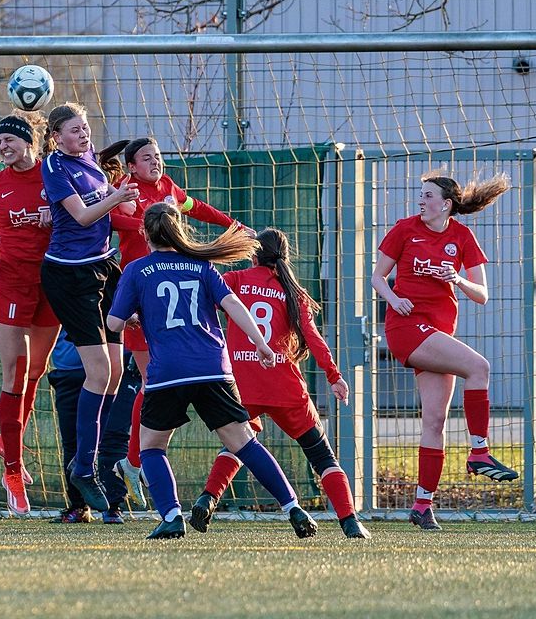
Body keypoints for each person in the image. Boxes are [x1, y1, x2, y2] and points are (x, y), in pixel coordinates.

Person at [107, 202, 318, 540]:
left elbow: (114, 322)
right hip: (213, 370)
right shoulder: (201, 267)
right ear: (179, 230)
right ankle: (292, 507)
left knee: (151, 448)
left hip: (168, 373)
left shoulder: (136, 270)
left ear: (144, 232)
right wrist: (261, 345)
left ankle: (172, 515)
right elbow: (233, 305)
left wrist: (132, 316)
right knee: (244, 444)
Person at [98, 137, 254, 509]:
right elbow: (110, 219)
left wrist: (233, 224)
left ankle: (137, 460)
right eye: (147, 158)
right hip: (141, 299)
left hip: (172, 298)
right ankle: (135, 460)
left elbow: (196, 207)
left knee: (162, 383)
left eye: (158, 157)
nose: (155, 163)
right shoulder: (128, 190)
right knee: (152, 383)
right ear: (132, 166)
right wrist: (147, 222)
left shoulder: (167, 188)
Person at [188, 228, 371, 539]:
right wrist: (334, 376)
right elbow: (313, 339)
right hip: (286, 387)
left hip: (242, 385)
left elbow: (202, 296)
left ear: (254, 254)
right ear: (285, 257)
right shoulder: (293, 292)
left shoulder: (236, 280)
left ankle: (207, 499)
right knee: (322, 456)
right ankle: (350, 521)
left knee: (237, 445)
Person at [370, 169, 515, 531]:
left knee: (434, 422)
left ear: (446, 204)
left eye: (428, 195)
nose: (421, 200)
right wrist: (393, 297)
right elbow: (376, 277)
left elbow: (482, 295)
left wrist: (458, 278)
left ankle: (422, 506)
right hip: (406, 327)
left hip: (437, 333)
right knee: (478, 367)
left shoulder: (461, 237)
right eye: (421, 194)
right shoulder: (405, 229)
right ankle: (479, 453)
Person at [38, 102, 140, 513]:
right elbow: (80, 217)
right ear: (56, 137)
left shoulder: (93, 164)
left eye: (85, 127)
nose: (83, 134)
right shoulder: (55, 165)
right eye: (74, 130)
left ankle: (90, 464)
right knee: (98, 372)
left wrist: (128, 200)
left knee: (114, 373)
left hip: (102, 269)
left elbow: (118, 214)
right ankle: (83, 469)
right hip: (69, 276)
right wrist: (116, 196)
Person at [0, 112, 60, 516]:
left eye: (9, 140)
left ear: (29, 142)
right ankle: (12, 469)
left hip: (50, 283)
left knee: (36, 370)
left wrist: (53, 217)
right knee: (15, 372)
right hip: (9, 284)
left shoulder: (53, 175)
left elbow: (77, 216)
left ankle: (7, 438)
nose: (3, 147)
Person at [47, 328, 141, 524]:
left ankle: (113, 506)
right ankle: (79, 506)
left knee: (114, 435)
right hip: (69, 367)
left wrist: (139, 351)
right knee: (73, 440)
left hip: (117, 366)